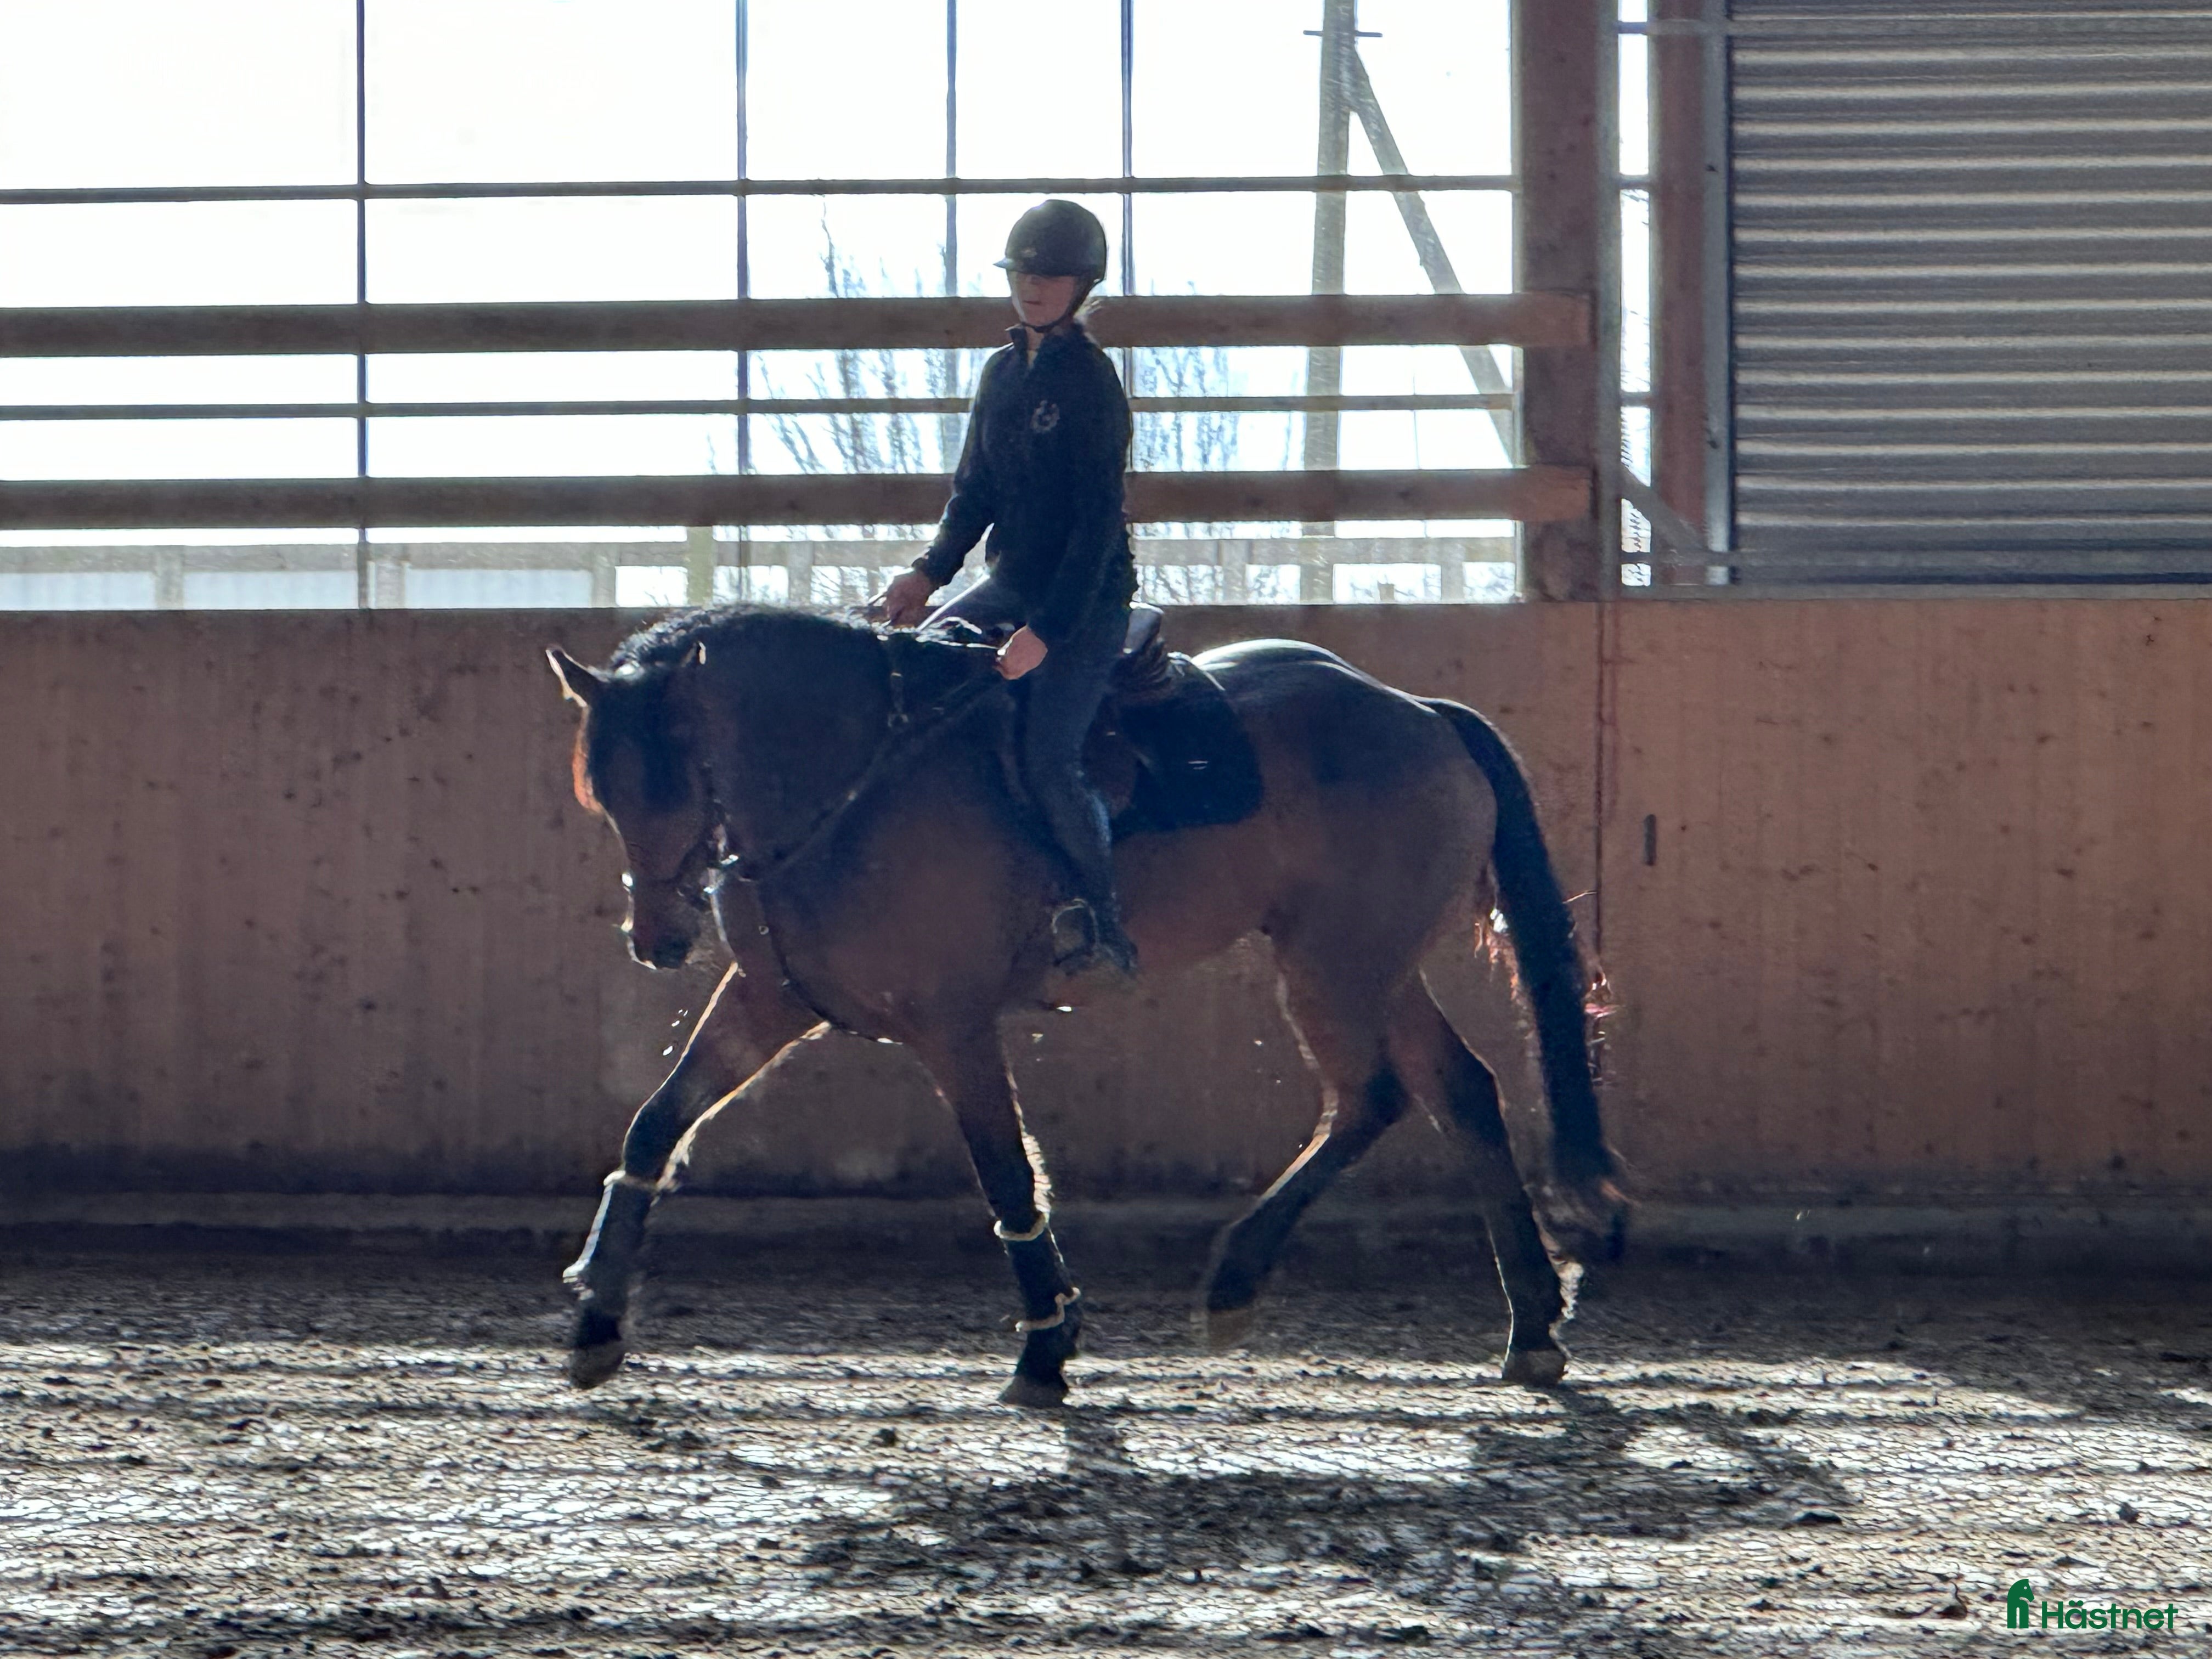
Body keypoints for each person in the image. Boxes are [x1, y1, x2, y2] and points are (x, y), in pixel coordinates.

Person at [874, 199, 1140, 977]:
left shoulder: (1091, 385)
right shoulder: (1000, 373)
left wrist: (1048, 634)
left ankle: (1104, 924)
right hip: (1009, 582)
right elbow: (976, 491)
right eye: (1025, 272)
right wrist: (930, 571)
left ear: (1081, 284)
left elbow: (1096, 528)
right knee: (911, 677)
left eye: (1051, 275)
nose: (1033, 286)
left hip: (1084, 602)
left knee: (1052, 759)